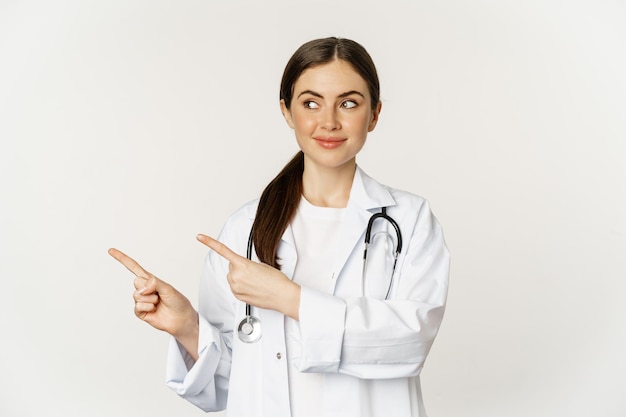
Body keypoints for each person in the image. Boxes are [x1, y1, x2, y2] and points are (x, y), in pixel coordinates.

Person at [109, 37, 450, 417]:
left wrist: (290, 299)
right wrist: (187, 325)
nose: (329, 121)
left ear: (374, 114)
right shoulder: (245, 230)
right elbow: (228, 384)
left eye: (349, 103)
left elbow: (410, 343)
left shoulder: (410, 220)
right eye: (310, 103)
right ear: (287, 112)